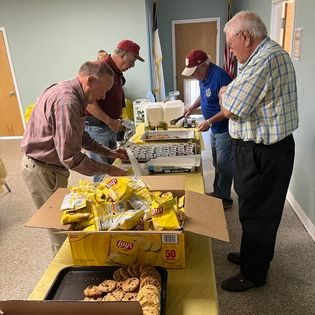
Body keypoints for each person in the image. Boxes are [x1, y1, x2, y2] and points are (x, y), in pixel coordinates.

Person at [220, 11, 299, 292]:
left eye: (230, 44)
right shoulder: (256, 58)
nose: (230, 50)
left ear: (245, 36)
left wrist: (225, 94)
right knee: (252, 209)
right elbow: (234, 93)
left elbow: (231, 108)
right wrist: (229, 91)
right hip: (259, 149)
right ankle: (252, 255)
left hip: (264, 152)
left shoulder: (265, 59)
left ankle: (253, 274)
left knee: (259, 213)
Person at [21, 61, 128, 255]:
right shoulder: (67, 102)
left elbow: (80, 137)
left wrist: (109, 153)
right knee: (61, 232)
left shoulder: (72, 94)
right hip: (43, 169)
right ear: (91, 80)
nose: (103, 97)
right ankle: (63, 276)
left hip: (50, 167)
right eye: (103, 91)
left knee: (67, 223)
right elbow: (70, 157)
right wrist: (109, 169)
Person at [85, 39, 144, 182]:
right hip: (98, 127)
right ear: (123, 55)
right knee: (101, 170)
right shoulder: (101, 69)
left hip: (110, 126)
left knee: (112, 167)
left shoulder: (117, 72)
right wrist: (109, 121)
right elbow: (88, 103)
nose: (133, 65)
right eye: (132, 60)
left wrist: (118, 119)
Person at [182, 50, 233, 209]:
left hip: (224, 129)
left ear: (204, 65)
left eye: (194, 72)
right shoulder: (202, 76)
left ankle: (224, 199)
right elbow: (203, 97)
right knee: (217, 162)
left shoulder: (220, 77)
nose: (193, 76)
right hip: (214, 128)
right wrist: (191, 107)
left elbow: (228, 109)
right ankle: (218, 193)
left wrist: (209, 122)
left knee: (224, 165)